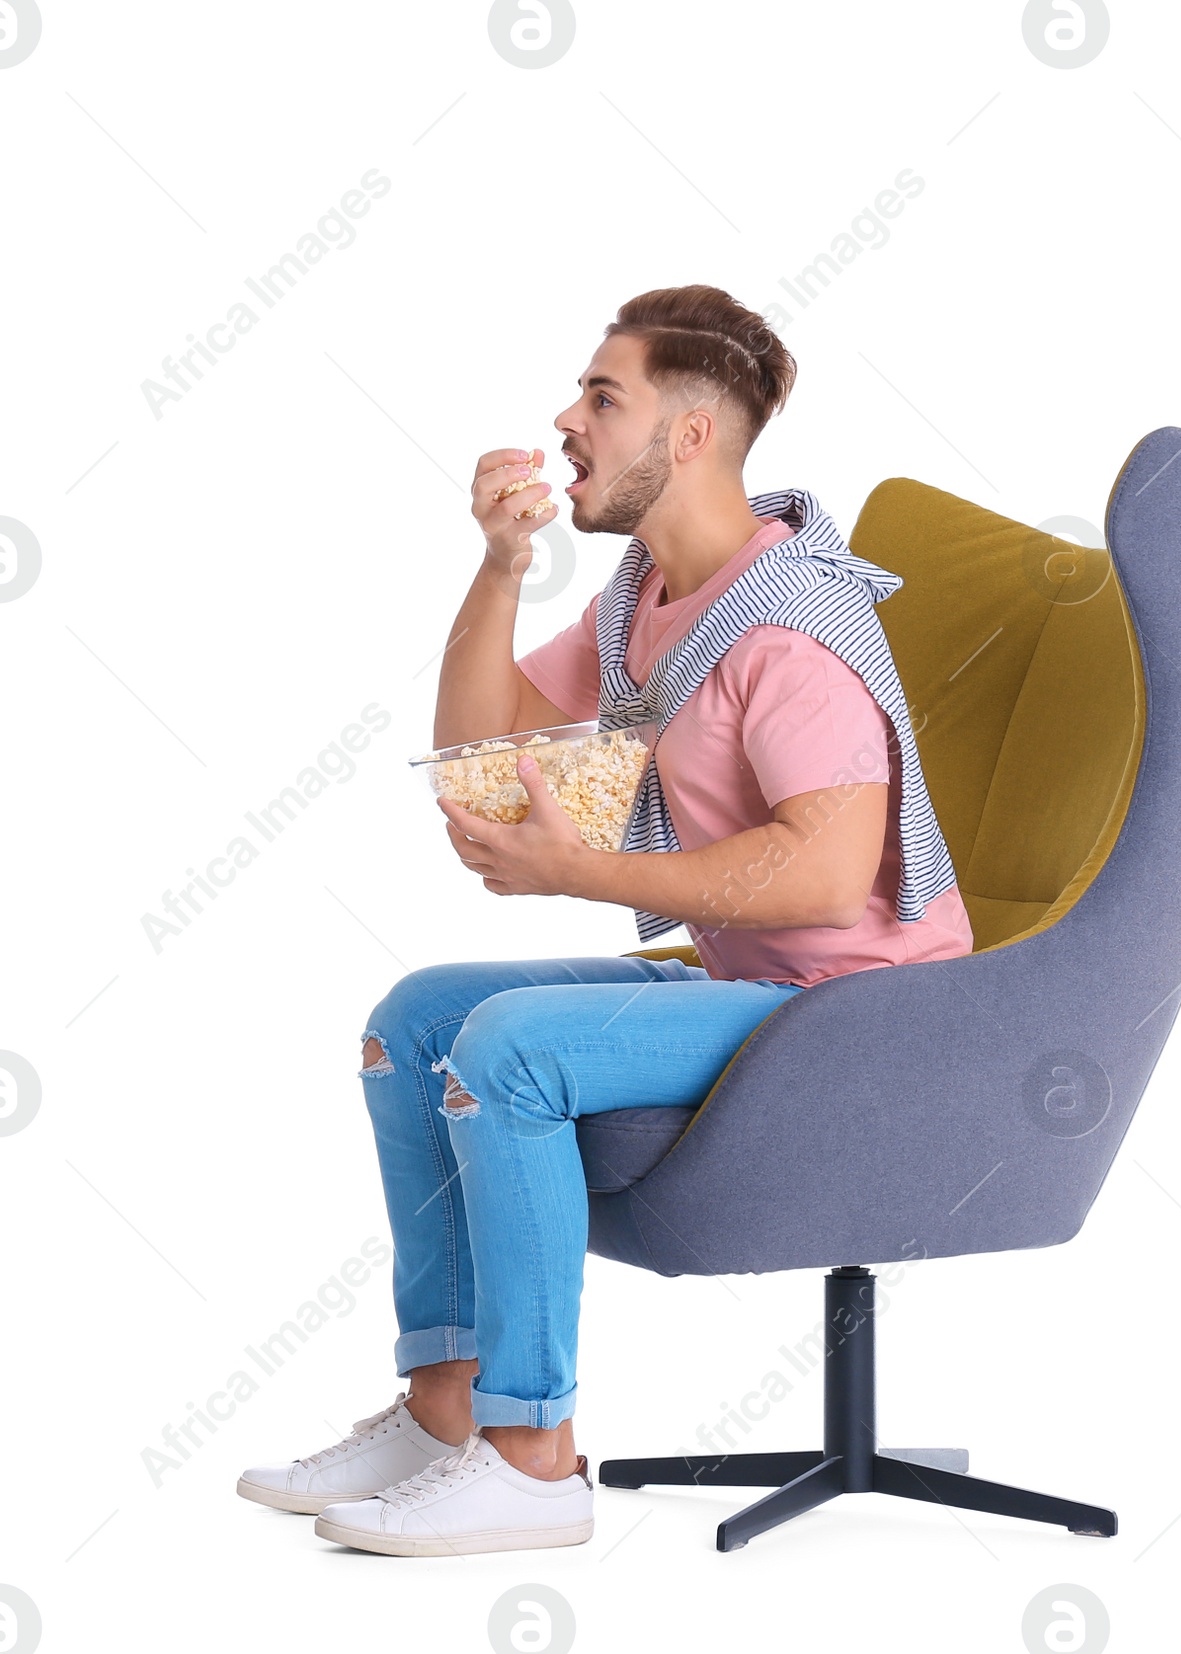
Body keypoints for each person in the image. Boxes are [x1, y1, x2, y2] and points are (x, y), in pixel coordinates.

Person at [235, 284, 973, 1556]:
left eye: (600, 395)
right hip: (764, 982)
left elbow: (824, 878)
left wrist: (584, 873)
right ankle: (445, 1408)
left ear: (686, 437)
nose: (566, 419)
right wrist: (501, 565)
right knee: (419, 1021)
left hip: (864, 1008)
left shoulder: (793, 628)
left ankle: (533, 1461)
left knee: (511, 1047)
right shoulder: (652, 592)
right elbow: (482, 746)